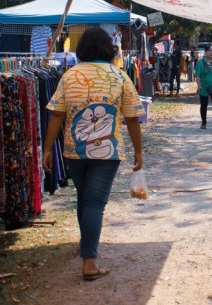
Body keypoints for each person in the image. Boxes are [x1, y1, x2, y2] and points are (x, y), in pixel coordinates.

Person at [42, 27, 145, 282]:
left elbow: (57, 114)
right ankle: (89, 262)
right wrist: (138, 150)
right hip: (107, 153)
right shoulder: (120, 77)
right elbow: (133, 117)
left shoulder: (69, 75)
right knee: (94, 204)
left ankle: (85, 244)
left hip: (73, 151)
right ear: (108, 48)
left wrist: (46, 148)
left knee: (85, 198)